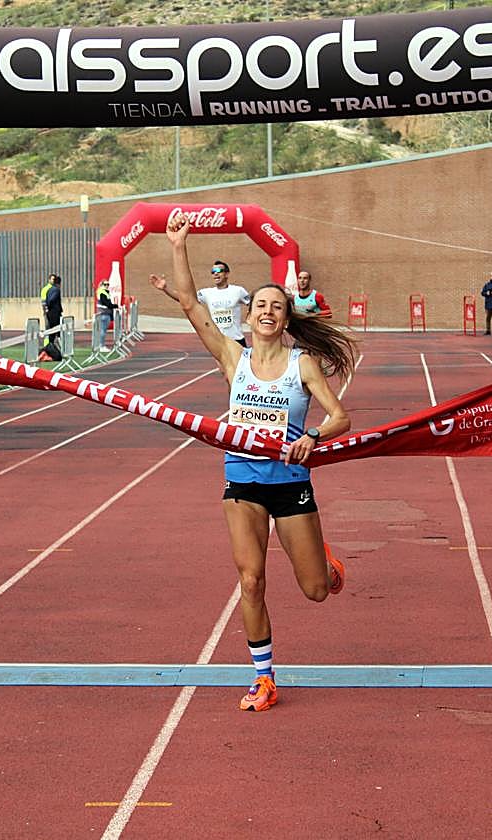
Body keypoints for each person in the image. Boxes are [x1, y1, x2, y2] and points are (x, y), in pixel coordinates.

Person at [150, 212, 356, 713]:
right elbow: (190, 304)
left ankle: (323, 560)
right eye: (260, 305)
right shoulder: (231, 356)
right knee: (251, 580)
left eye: (276, 307)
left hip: (289, 481)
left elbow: (340, 418)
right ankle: (264, 678)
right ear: (247, 316)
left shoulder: (302, 363)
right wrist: (179, 246)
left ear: (285, 320)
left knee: (315, 592)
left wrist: (311, 436)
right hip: (241, 480)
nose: (267, 312)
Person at [154, 259, 251, 346]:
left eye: (218, 271)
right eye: (213, 272)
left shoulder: (238, 291)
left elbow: (253, 304)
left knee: (242, 366)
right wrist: (165, 289)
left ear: (226, 274)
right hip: (218, 340)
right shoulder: (207, 293)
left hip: (236, 340)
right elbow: (186, 298)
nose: (215, 274)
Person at [95, 277, 117, 352]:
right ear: (102, 284)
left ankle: (100, 345)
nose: (107, 286)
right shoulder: (102, 292)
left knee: (103, 330)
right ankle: (101, 346)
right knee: (103, 331)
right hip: (104, 313)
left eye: (108, 284)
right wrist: (115, 306)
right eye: (105, 284)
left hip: (104, 313)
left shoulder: (104, 292)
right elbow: (107, 303)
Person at [42, 274, 63, 345]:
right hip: (53, 313)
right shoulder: (56, 290)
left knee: (51, 331)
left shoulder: (48, 289)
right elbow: (50, 300)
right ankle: (51, 346)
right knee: (54, 331)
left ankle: (50, 345)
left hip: (49, 312)